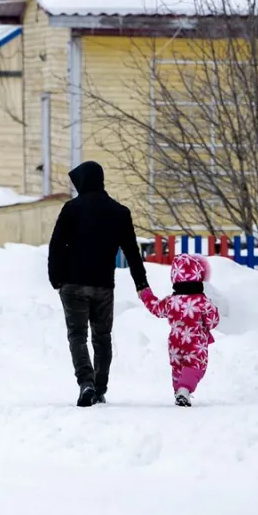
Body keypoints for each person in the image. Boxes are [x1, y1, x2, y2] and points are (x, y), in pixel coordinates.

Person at [47, 160, 149, 407]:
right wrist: (141, 284)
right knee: (102, 336)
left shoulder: (71, 209)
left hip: (73, 284)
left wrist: (55, 278)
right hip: (104, 285)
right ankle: (100, 388)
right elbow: (132, 252)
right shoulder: (119, 212)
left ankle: (86, 383)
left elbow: (56, 245)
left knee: (77, 335)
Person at [137, 254, 221, 408]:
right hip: (195, 341)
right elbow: (213, 321)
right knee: (195, 366)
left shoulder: (171, 301)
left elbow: (156, 308)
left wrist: (146, 295)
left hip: (175, 341)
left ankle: (179, 392)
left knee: (178, 366)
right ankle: (184, 391)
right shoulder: (202, 302)